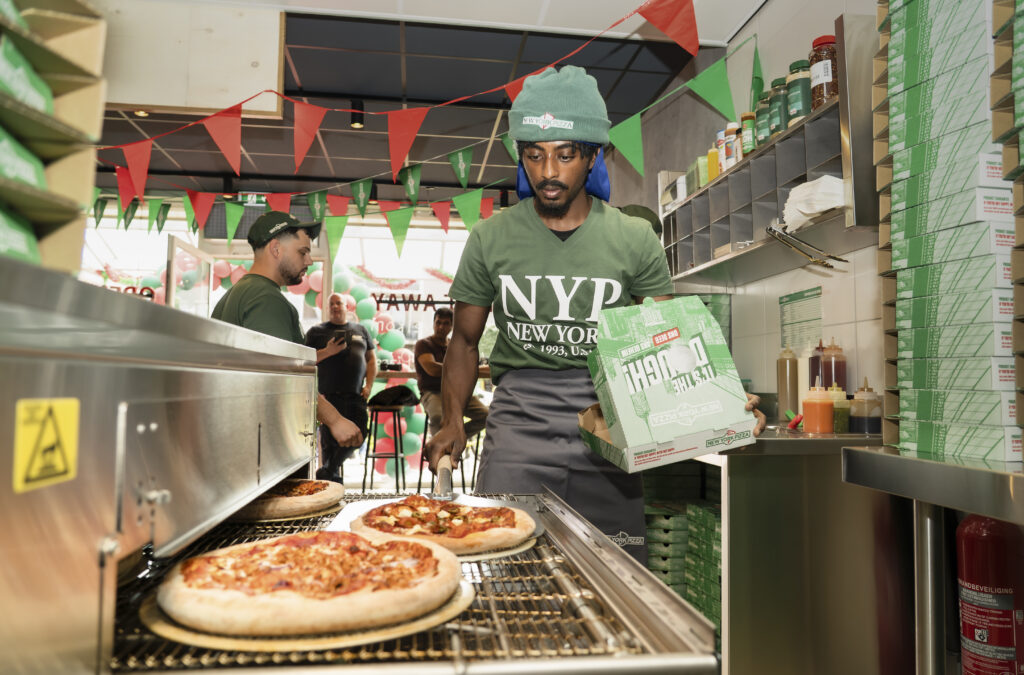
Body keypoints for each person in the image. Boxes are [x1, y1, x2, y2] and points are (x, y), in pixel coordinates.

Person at [424, 66, 765, 562]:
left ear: (593, 155)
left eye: (565, 155)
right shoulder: (489, 239)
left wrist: (720, 406)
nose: (548, 172)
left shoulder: (634, 238)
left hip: (611, 424)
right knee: (506, 563)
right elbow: (464, 342)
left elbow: (665, 343)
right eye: (535, 155)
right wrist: (453, 420)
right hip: (518, 424)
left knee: (615, 566)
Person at [212, 210, 363, 452]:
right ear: (275, 249)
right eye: (302, 252)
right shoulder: (265, 298)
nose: (309, 261)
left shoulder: (238, 293)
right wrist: (334, 420)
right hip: (261, 443)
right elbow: (284, 374)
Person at [304, 293, 376, 482]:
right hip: (328, 398)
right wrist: (329, 351)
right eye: (332, 304)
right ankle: (331, 482)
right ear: (328, 308)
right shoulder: (316, 332)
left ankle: (329, 469)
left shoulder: (360, 330)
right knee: (330, 446)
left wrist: (369, 385)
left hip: (355, 395)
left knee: (360, 432)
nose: (335, 306)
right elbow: (303, 360)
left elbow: (371, 360)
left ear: (347, 307)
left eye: (339, 303)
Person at [414, 307, 488, 441]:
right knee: (437, 417)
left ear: (452, 326)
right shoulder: (423, 344)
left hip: (457, 392)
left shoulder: (455, 346)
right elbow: (432, 369)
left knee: (485, 416)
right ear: (433, 323)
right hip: (432, 392)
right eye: (438, 322)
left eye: (446, 323)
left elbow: (468, 368)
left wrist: (476, 369)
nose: (441, 327)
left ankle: (451, 440)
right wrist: (463, 369)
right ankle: (440, 450)